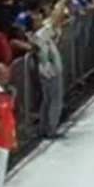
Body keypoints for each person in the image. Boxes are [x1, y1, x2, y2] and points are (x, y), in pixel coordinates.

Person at [30, 7, 65, 139]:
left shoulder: (37, 35)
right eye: (37, 20)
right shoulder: (40, 34)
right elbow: (55, 20)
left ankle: (44, 127)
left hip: (46, 70)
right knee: (55, 99)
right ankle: (51, 128)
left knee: (47, 99)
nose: (41, 21)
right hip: (51, 71)